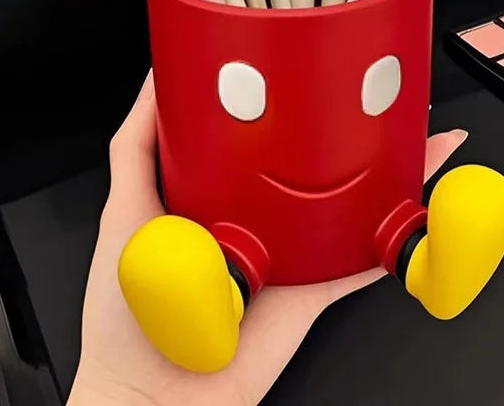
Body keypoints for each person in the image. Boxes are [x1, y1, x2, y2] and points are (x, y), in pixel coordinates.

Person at [68, 72, 468, 406]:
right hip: (247, 227)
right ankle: (213, 306)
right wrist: (128, 393)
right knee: (193, 258)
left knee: (436, 212)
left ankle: (431, 265)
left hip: (369, 206)